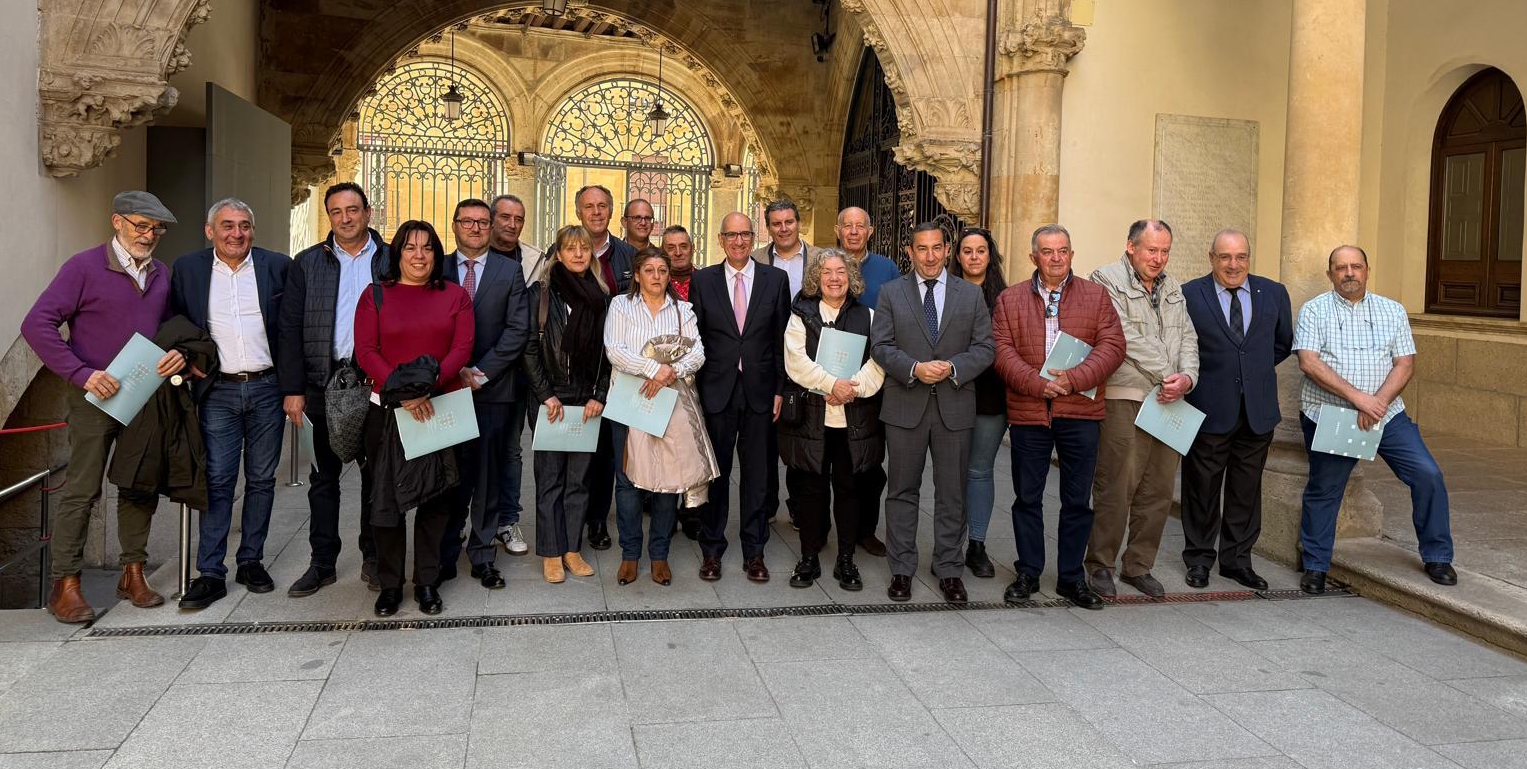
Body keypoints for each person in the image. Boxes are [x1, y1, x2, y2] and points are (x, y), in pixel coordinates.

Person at [22, 190, 187, 623]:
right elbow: (36, 323)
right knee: (82, 488)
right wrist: (82, 373)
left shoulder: (161, 274)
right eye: (141, 226)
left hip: (142, 394)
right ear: (117, 222)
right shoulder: (82, 267)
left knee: (138, 482)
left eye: (156, 229)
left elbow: (169, 329)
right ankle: (66, 584)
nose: (149, 235)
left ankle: (133, 572)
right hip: (94, 396)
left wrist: (177, 354)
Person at [1295, 245, 1456, 594]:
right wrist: (1360, 400)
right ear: (1330, 275)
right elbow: (1308, 362)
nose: (1349, 273)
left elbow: (1405, 363)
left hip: (1387, 415)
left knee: (1427, 474)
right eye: (1341, 268)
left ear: (1368, 270)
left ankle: (1438, 555)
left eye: (1356, 266)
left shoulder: (1392, 310)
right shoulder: (1313, 310)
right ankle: (1315, 565)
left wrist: (1378, 403)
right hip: (1333, 413)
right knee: (1325, 490)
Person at [992, 224, 1124, 610]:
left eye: (1062, 250)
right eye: (1047, 251)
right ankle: (1028, 572)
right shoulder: (1010, 299)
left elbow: (1113, 346)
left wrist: (1073, 380)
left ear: (1071, 254)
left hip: (1080, 412)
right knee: (1027, 498)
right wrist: (1036, 384)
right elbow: (1001, 351)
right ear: (1034, 257)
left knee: (1077, 500)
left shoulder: (1096, 297)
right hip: (1030, 412)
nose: (1055, 258)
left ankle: (1071, 578)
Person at [168, 198, 289, 609]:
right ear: (210, 231)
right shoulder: (189, 269)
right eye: (227, 226)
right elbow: (176, 322)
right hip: (217, 390)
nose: (236, 233)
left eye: (243, 226)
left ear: (252, 231)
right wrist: (188, 359)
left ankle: (251, 560)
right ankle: (211, 572)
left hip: (267, 387)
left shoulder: (276, 266)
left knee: (260, 478)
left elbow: (290, 326)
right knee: (218, 479)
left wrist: (294, 386)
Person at [870, 222, 994, 603]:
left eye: (936, 248)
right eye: (921, 248)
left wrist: (954, 368)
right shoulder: (891, 293)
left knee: (952, 493)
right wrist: (914, 368)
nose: (929, 256)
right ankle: (902, 569)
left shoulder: (970, 296)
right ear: (910, 252)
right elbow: (881, 345)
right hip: (906, 404)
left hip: (954, 407)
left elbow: (985, 348)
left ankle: (949, 569)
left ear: (946, 250)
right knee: (903, 490)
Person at [354, 220, 474, 616]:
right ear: (397, 253)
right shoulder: (375, 296)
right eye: (410, 247)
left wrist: (428, 388)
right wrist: (404, 392)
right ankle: (390, 584)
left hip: (440, 406)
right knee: (385, 498)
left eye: (426, 248)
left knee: (437, 497)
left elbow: (462, 349)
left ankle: (426, 580)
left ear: (436, 254)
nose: (419, 255)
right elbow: (366, 351)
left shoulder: (455, 296)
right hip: (387, 410)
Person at [277, 182, 389, 597]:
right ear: (329, 216)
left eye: (353, 210)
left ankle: (374, 558)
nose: (345, 218)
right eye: (337, 211)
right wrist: (293, 389)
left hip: (376, 385)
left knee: (375, 477)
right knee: (323, 478)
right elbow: (289, 329)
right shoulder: (307, 263)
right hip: (323, 383)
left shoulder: (391, 260)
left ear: (368, 212)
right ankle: (321, 562)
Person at [1086, 219, 1198, 599]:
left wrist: (1188, 378)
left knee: (1159, 489)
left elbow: (1187, 335)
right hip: (1126, 396)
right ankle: (1100, 565)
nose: (1159, 258)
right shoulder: (1105, 279)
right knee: (1118, 485)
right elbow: (1122, 336)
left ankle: (1139, 565)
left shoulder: (1174, 287)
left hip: (1171, 399)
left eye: (1165, 251)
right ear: (1131, 246)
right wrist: (1170, 374)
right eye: (1152, 250)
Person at [1180, 229, 1292, 590]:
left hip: (1257, 411)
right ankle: (1198, 559)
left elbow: (1282, 343)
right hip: (1209, 408)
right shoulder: (1189, 294)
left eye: (1241, 257)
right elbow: (1184, 346)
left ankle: (1236, 560)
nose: (1233, 264)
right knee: (1202, 488)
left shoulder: (1273, 293)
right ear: (1211, 257)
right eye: (1225, 257)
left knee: (1246, 489)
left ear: (1249, 258)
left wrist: (1249, 374)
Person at [689, 212, 791, 582]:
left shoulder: (774, 280)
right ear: (720, 239)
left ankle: (755, 552)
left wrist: (780, 388)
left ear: (753, 237)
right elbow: (696, 338)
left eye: (745, 234)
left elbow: (781, 340)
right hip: (716, 392)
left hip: (761, 393)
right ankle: (712, 550)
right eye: (731, 235)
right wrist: (696, 392)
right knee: (716, 474)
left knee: (757, 476)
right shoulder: (703, 280)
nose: (738, 241)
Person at [603, 247, 714, 586]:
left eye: (662, 270)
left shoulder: (683, 310)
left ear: (669, 275)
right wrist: (654, 369)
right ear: (637, 274)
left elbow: (697, 352)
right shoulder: (621, 305)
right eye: (648, 270)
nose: (656, 276)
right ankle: (630, 554)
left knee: (667, 481)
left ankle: (660, 554)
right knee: (628, 482)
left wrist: (671, 372)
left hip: (670, 402)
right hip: (629, 400)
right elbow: (615, 350)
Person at [779, 249, 886, 590]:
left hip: (853, 419)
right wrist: (830, 384)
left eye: (841, 272)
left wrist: (850, 389)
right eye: (827, 272)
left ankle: (846, 560)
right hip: (812, 418)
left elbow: (879, 361)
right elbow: (795, 362)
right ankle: (809, 557)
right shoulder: (801, 314)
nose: (834, 278)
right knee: (810, 490)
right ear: (816, 278)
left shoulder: (868, 315)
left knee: (849, 489)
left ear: (851, 277)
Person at [439, 199, 531, 590]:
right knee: (447, 475)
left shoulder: (510, 271)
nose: (475, 228)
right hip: (444, 387)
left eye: (482, 222)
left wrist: (482, 372)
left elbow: (517, 329)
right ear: (455, 225)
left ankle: (482, 554)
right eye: (468, 221)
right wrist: (448, 372)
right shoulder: (437, 267)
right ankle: (444, 551)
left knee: (489, 475)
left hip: (493, 388)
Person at [523, 225, 611, 583]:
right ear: (557, 253)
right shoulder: (541, 294)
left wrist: (598, 395)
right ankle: (550, 551)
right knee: (549, 479)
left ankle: (572, 548)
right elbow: (529, 349)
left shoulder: (601, 297)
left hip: (585, 399)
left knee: (579, 480)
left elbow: (609, 353)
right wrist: (546, 394)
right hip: (551, 398)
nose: (578, 254)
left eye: (584, 249)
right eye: (570, 248)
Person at [834, 205, 900, 556]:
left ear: (870, 231)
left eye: (861, 226)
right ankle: (838, 524)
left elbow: (898, 316)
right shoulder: (828, 264)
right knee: (838, 459)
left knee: (870, 462)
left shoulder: (886, 269)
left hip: (875, 376)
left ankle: (866, 530)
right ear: (838, 229)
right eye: (849, 226)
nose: (854, 232)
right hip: (833, 378)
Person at [576, 184, 634, 552]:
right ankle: (572, 516)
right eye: (589, 207)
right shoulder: (565, 249)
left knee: (608, 451)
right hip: (579, 368)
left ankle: (597, 519)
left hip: (621, 369)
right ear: (578, 211)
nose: (596, 212)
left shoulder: (629, 255)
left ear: (611, 211)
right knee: (578, 447)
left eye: (603, 206)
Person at [950, 228, 1008, 579]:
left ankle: (977, 544)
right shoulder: (942, 293)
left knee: (979, 469)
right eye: (967, 251)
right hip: (949, 391)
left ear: (990, 256)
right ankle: (948, 544)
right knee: (950, 470)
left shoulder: (1007, 297)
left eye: (981, 250)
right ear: (957, 256)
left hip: (990, 394)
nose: (973, 257)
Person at [488, 194, 539, 555]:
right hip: (468, 373)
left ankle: (507, 519)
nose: (511, 224)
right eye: (504, 217)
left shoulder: (533, 261)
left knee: (509, 450)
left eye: (518, 219)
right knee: (468, 449)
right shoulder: (464, 259)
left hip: (517, 373)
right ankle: (466, 519)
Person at [752, 199, 819, 299]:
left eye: (789, 222)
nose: (784, 229)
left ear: (798, 224)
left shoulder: (820, 258)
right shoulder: (754, 260)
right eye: (777, 224)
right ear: (768, 229)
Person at [661, 224, 697, 302]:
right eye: (671, 248)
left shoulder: (706, 281)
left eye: (683, 246)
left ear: (692, 248)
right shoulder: (657, 282)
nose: (678, 253)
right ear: (662, 251)